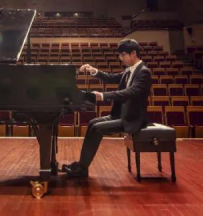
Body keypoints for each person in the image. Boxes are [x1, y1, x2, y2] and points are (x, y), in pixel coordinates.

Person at [61, 38, 152, 178]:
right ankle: (81, 165)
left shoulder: (143, 72)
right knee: (92, 123)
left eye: (123, 55)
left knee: (97, 128)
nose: (121, 58)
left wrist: (103, 96)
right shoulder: (130, 70)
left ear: (133, 53)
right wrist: (94, 71)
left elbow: (130, 92)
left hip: (132, 118)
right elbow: (111, 78)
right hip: (121, 115)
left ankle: (82, 168)